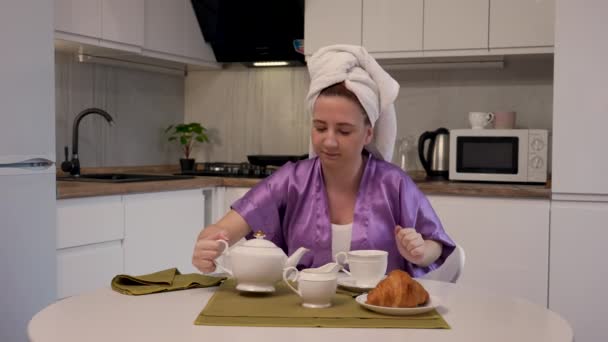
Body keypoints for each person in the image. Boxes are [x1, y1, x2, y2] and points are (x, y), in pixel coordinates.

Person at [192, 45, 455, 278]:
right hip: (303, 315)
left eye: (343, 131)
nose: (329, 141)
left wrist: (420, 252)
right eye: (320, 128)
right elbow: (222, 230)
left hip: (378, 316)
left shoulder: (394, 183)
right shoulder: (290, 180)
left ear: (368, 133)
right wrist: (208, 244)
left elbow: (436, 244)